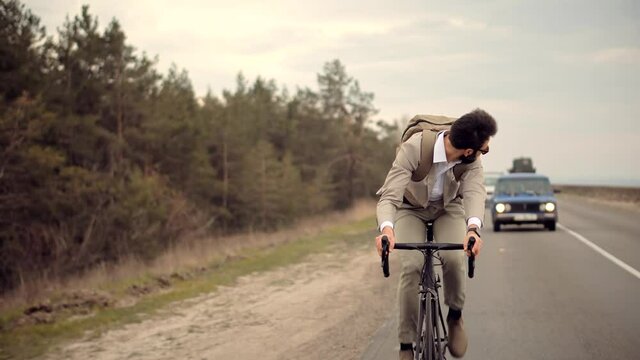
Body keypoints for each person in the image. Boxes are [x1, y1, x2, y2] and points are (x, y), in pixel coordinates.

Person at [375, 109, 497, 359]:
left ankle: (455, 316)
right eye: (484, 149)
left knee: (454, 258)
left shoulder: (471, 163)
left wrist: (473, 228)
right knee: (411, 265)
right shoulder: (414, 148)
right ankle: (406, 343)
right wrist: (387, 229)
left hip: (447, 207)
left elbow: (475, 193)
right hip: (411, 208)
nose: (484, 153)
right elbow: (390, 195)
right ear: (468, 150)